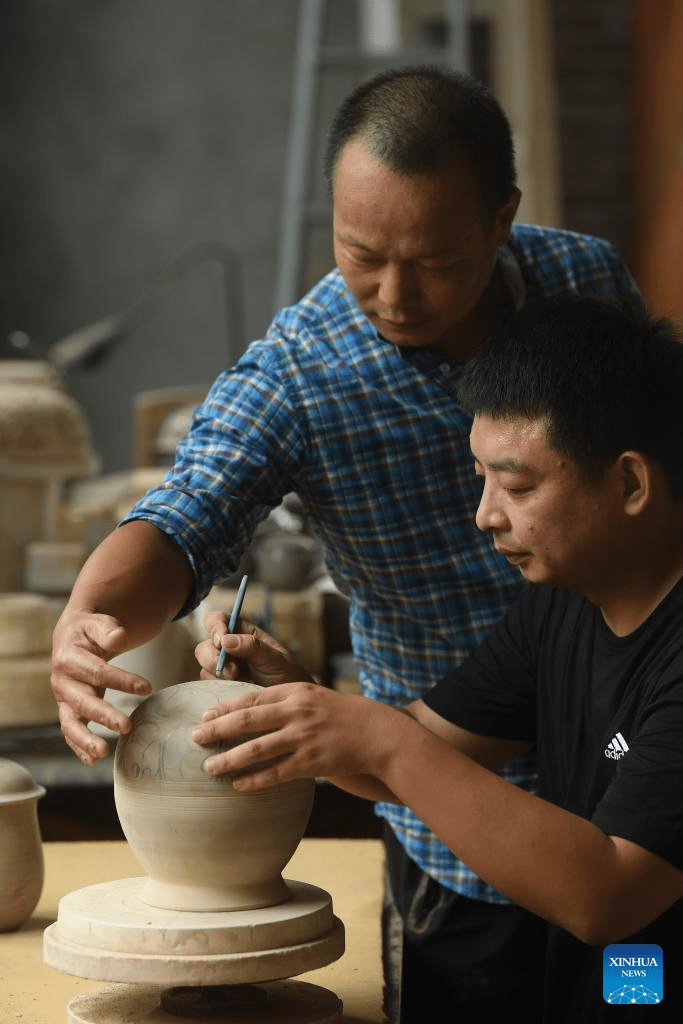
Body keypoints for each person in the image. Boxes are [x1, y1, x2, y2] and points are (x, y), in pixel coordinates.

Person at [50, 68, 644, 1016]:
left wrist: (367, 734)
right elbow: (190, 506)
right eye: (362, 253)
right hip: (453, 809)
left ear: (502, 221)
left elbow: (607, 894)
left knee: (636, 981)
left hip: (629, 779)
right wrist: (90, 617)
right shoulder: (303, 367)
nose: (394, 293)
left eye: (437, 260)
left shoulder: (585, 284)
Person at [191, 297, 683, 1022]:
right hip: (628, 981)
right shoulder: (566, 597)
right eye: (480, 478)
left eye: (515, 486)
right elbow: (418, 750)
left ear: (629, 483)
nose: (485, 513)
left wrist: (377, 737)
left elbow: (606, 895)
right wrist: (296, 705)